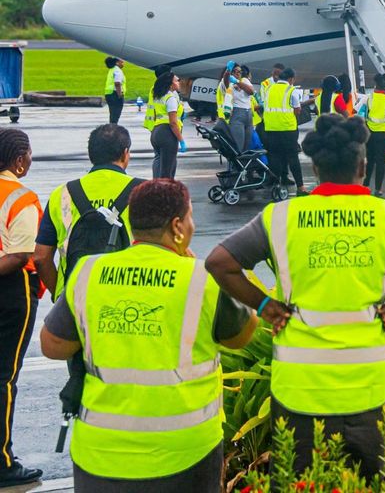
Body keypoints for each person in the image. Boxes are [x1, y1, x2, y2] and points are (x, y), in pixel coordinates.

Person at [206, 115, 385, 478]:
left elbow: (220, 262)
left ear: (314, 169)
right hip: (369, 387)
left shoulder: (281, 217)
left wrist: (265, 306)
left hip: (300, 388)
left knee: (301, 483)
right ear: (362, 167)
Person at [40, 179, 257, 492]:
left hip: (101, 453)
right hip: (186, 451)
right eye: (191, 217)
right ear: (178, 225)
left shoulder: (88, 271)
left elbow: (53, 345)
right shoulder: (201, 278)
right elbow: (241, 336)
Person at [33, 123, 140, 297]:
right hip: (127, 297)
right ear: (125, 154)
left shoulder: (62, 194)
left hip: (74, 298)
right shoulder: (144, 191)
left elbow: (41, 257)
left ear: (91, 156)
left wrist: (60, 296)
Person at [0, 129, 42, 486]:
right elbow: (20, 255)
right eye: (28, 154)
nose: (30, 160)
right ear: (18, 160)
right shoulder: (21, 197)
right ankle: (3, 462)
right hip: (12, 291)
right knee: (4, 378)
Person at [261, 67, 306, 195]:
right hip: (287, 129)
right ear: (291, 79)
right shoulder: (291, 90)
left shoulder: (269, 89)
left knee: (275, 157)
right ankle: (300, 188)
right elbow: (297, 110)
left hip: (270, 128)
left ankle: (276, 186)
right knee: (292, 157)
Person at [145, 69, 185, 180]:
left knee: (159, 163)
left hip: (156, 132)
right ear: (171, 84)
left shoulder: (159, 95)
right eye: (177, 81)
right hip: (167, 133)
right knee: (167, 171)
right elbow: (173, 123)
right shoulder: (170, 98)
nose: (179, 82)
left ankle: (155, 188)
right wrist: (181, 139)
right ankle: (164, 195)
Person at [362, 73, 385, 196]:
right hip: (383, 134)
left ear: (375, 85)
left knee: (369, 160)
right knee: (381, 161)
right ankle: (378, 189)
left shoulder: (368, 98)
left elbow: (356, 109)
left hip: (369, 133)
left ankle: (365, 185)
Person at [221, 63, 258, 153]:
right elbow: (226, 79)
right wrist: (228, 71)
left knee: (247, 146)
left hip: (248, 115)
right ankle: (233, 167)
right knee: (238, 146)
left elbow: (251, 91)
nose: (237, 74)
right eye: (235, 71)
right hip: (237, 114)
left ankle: (244, 166)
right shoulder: (228, 83)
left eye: (239, 72)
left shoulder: (244, 81)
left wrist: (238, 82)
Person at [103, 57, 126, 125]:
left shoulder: (112, 70)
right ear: (117, 62)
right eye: (122, 62)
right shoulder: (117, 71)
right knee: (115, 115)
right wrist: (120, 95)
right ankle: (113, 129)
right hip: (115, 94)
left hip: (109, 94)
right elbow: (117, 83)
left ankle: (112, 127)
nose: (123, 64)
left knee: (112, 114)